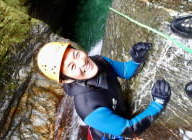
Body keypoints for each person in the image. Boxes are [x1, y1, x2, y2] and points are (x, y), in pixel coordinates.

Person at [37, 42, 171, 140]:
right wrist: (158, 103)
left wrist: (136, 60)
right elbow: (131, 130)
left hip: (110, 121)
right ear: (66, 80)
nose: (81, 63)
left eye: (76, 54)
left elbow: (125, 71)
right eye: (72, 66)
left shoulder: (99, 61)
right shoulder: (87, 108)